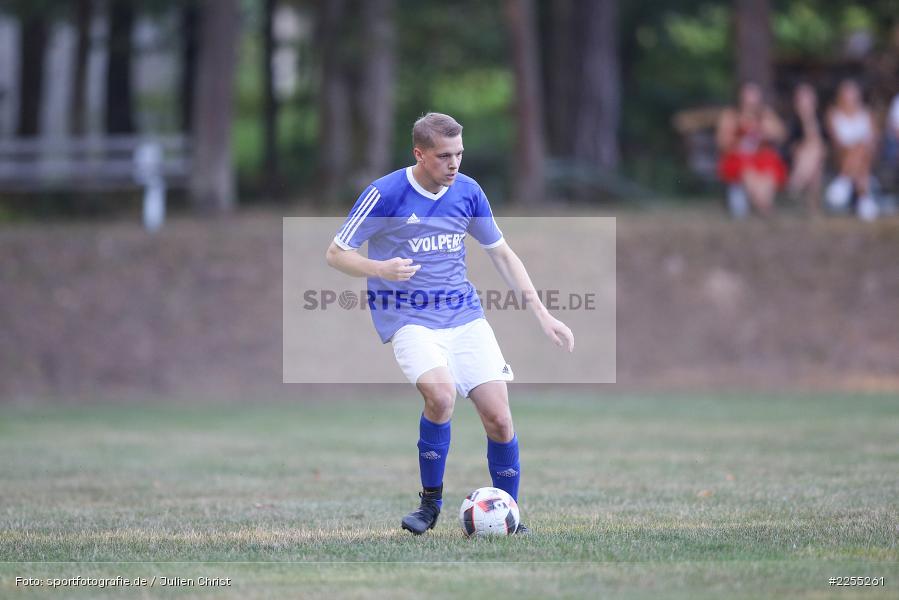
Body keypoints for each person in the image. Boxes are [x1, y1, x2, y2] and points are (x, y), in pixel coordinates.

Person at [325, 112, 574, 535]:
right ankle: (429, 505)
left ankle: (510, 515)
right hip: (408, 318)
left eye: (459, 153)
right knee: (440, 396)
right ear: (419, 154)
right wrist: (380, 268)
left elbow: (502, 254)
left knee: (499, 419)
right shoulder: (384, 194)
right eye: (444, 156)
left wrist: (543, 313)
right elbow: (336, 253)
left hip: (463, 315)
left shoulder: (468, 192)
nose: (454, 164)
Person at [716, 81, 788, 218]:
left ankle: (763, 204)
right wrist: (739, 141)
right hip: (738, 158)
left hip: (761, 158)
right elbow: (722, 142)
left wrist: (765, 131)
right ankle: (763, 206)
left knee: (768, 171)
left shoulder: (765, 114)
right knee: (749, 172)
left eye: (753, 94)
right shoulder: (731, 115)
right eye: (747, 94)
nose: (750, 99)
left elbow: (780, 133)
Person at [825, 80, 879, 220]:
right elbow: (835, 141)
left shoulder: (867, 114)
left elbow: (874, 138)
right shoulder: (833, 113)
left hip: (867, 155)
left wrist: (861, 146)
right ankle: (864, 199)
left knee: (861, 150)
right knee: (859, 152)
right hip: (842, 155)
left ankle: (844, 180)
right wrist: (856, 146)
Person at [785, 84, 827, 215]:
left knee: (816, 151)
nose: (805, 103)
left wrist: (809, 120)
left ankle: (794, 187)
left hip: (814, 158)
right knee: (814, 154)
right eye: (802, 99)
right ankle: (813, 205)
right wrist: (805, 119)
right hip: (798, 157)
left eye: (807, 99)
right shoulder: (793, 121)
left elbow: (825, 143)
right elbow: (790, 145)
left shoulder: (821, 119)